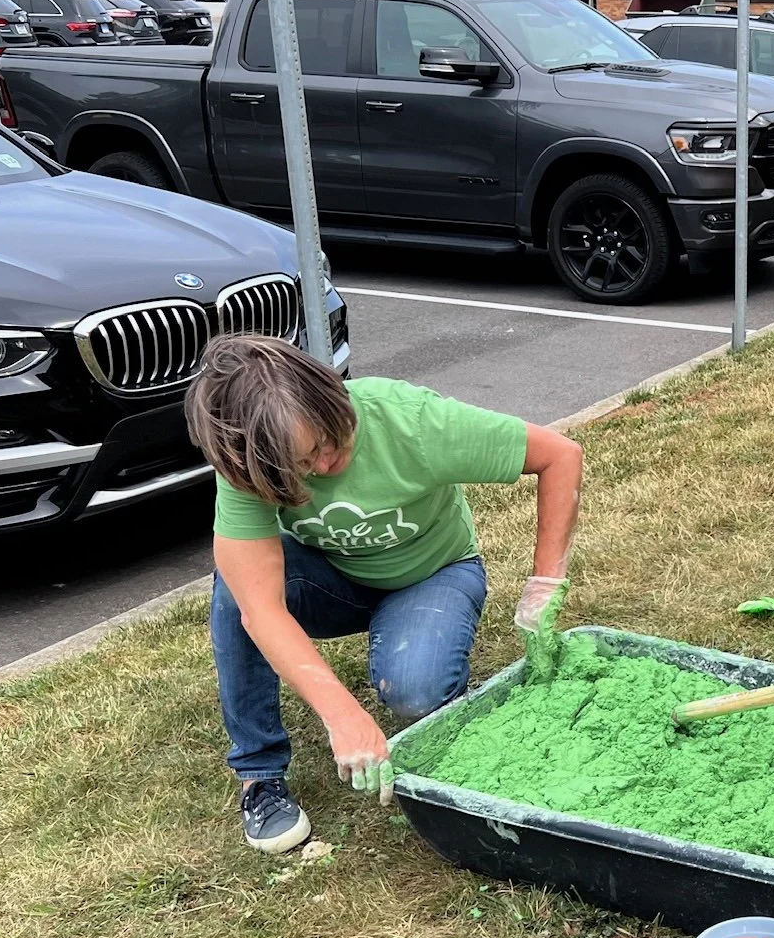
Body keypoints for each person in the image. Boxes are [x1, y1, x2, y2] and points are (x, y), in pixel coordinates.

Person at [185, 335, 582, 855]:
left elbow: (559, 456)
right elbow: (261, 608)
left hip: (432, 573)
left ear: (332, 398)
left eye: (326, 442)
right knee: (234, 591)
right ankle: (259, 774)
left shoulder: (409, 420)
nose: (324, 464)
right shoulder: (248, 470)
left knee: (416, 690)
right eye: (302, 465)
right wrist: (341, 714)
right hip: (330, 579)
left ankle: (418, 651)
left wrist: (545, 580)